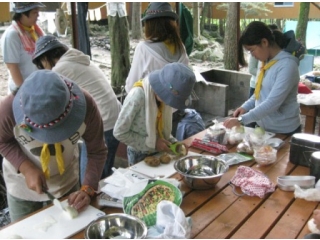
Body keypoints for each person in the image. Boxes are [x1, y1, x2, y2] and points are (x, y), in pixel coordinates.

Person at [0, 70, 107, 222]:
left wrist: (88, 188)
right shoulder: (7, 111)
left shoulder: (87, 106)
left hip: (66, 182)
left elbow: (97, 151)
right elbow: (2, 141)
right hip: (21, 186)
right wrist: (26, 167)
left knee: (69, 229)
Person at [32, 35, 121, 180]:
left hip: (104, 123)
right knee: (103, 174)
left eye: (42, 64)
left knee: (89, 177)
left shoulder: (61, 69)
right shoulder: (75, 57)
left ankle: (98, 199)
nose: (43, 68)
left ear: (45, 58)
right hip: (115, 117)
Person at [223, 21, 301, 135]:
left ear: (264, 42)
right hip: (263, 129)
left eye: (252, 50)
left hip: (284, 132)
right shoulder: (266, 62)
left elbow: (272, 102)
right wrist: (245, 107)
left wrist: (241, 119)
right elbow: (259, 92)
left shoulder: (287, 66)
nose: (252, 55)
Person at [114, 63, 195, 166]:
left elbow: (160, 129)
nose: (168, 103)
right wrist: (152, 143)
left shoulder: (161, 101)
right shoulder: (137, 97)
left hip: (158, 151)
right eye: (169, 99)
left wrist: (174, 143)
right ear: (161, 89)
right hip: (139, 154)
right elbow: (119, 132)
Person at [125, 2, 189, 93]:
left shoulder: (143, 48)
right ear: (172, 24)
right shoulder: (180, 47)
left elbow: (131, 85)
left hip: (153, 105)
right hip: (176, 104)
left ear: (150, 24)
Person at [0, 2, 46, 94]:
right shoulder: (12, 35)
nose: (38, 15)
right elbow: (12, 66)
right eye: (34, 12)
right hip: (23, 89)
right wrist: (23, 91)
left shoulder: (37, 31)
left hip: (39, 86)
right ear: (23, 14)